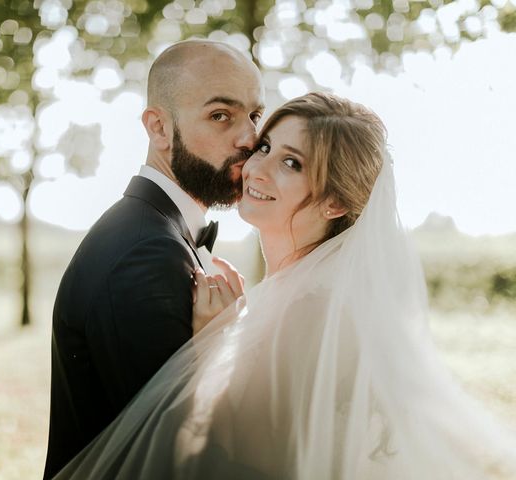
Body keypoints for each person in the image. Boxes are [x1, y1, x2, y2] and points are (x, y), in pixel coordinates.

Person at [52, 92, 516, 479]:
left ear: (335, 202)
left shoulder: (311, 311)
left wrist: (211, 345)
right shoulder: (299, 294)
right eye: (266, 146)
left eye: (292, 163)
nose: (257, 168)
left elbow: (233, 465)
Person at [42, 40, 265, 479]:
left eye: (255, 115)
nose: (250, 139)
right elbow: (171, 457)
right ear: (159, 128)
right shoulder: (146, 254)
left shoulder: (153, 232)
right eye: (221, 115)